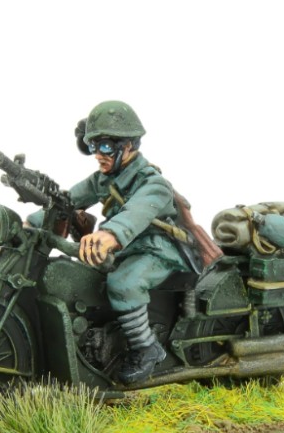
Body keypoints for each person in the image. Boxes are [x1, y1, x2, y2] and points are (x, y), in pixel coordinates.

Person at [62, 100, 196, 383]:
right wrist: (33, 221)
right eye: (93, 146)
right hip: (130, 246)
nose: (98, 155)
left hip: (159, 249)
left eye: (106, 147)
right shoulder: (103, 179)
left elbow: (136, 213)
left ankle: (146, 348)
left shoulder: (153, 183)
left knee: (124, 282)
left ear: (130, 145)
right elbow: (68, 200)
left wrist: (110, 234)